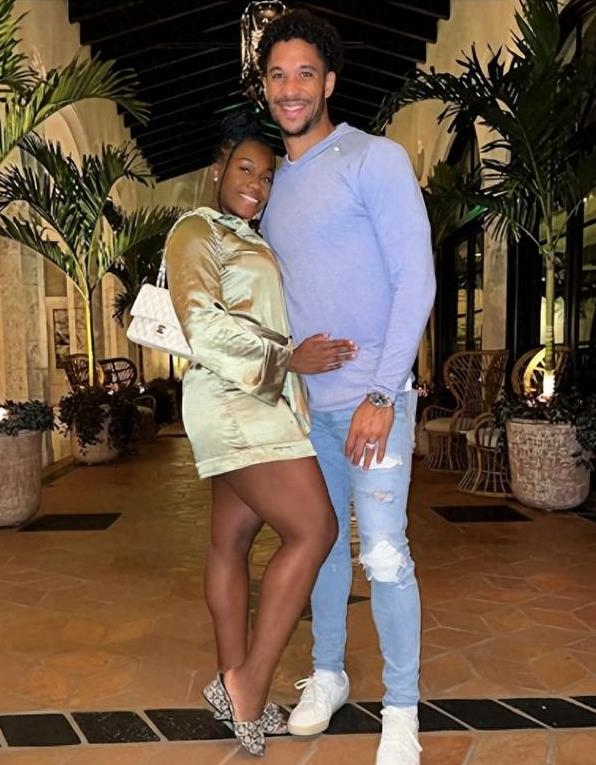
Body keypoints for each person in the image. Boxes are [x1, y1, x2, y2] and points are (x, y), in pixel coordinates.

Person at [257, 10, 436, 765]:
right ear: (265, 87)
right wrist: (289, 360)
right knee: (321, 546)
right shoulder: (271, 189)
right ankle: (327, 674)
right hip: (307, 412)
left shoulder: (374, 159)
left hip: (375, 405)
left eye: (305, 73)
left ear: (329, 82)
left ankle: (401, 709)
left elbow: (416, 280)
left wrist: (383, 395)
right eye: (277, 75)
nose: (291, 88)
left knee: (385, 554)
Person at [166, 113, 356, 757]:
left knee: (231, 540)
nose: (256, 184)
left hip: (259, 398)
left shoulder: (246, 235)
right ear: (218, 168)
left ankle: (230, 683)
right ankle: (248, 683)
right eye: (245, 169)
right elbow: (200, 323)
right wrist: (288, 361)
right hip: (237, 400)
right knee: (316, 528)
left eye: (267, 176)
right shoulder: (197, 230)